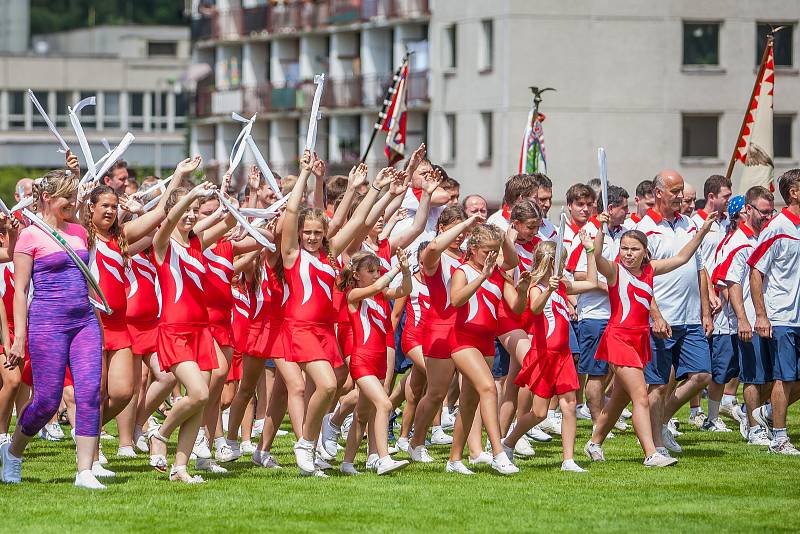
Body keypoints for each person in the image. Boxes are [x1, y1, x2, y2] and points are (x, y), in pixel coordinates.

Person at [585, 207, 718, 466]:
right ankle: (651, 453)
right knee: (641, 396)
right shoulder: (614, 271)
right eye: (624, 248)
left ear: (645, 251)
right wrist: (600, 229)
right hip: (619, 339)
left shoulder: (650, 270)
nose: (628, 254)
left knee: (619, 400)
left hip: (640, 340)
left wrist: (702, 231)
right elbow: (597, 256)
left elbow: (681, 257)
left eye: (634, 249)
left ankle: (594, 442)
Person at [1, 169, 106, 489]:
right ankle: (14, 453)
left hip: (84, 321)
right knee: (46, 400)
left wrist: (99, 319)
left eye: (75, 197)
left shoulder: (78, 231)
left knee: (89, 393)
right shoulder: (30, 236)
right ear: (47, 198)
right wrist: (19, 338)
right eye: (67, 198)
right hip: (48, 323)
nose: (74, 203)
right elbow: (19, 291)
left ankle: (84, 471)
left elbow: (89, 279)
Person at [147, 178, 236, 483]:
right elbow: (169, 221)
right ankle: (159, 434)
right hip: (175, 330)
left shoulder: (196, 243)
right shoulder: (162, 245)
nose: (191, 215)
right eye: (187, 209)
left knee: (201, 400)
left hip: (202, 331)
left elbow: (228, 223)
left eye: (196, 210)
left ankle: (180, 467)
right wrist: (186, 196)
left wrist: (233, 204)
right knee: (197, 392)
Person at [502, 233, 597, 472]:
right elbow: (534, 308)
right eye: (561, 262)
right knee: (539, 413)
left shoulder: (562, 285)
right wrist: (548, 290)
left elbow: (593, 282)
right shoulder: (536, 287)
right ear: (551, 262)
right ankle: (508, 442)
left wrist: (589, 251)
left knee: (569, 404)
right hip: (544, 355)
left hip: (563, 355)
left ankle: (568, 460)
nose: (564, 267)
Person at [634, 169, 714, 456]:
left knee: (703, 375)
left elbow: (699, 267)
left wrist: (705, 310)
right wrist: (655, 314)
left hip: (691, 317)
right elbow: (641, 278)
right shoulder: (645, 228)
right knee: (659, 383)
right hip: (663, 318)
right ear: (658, 193)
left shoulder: (689, 224)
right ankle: (654, 441)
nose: (681, 197)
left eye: (681, 191)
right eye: (675, 191)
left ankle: (661, 422)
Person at [445, 223, 523, 475]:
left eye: (495, 250)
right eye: (486, 250)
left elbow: (517, 307)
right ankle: (498, 452)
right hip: (462, 339)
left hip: (486, 341)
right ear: (474, 248)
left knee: (469, 402)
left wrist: (523, 288)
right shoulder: (463, 271)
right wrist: (482, 276)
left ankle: (454, 460)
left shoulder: (498, 273)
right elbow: (456, 300)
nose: (491, 256)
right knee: (489, 388)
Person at [338, 250, 412, 475]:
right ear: (356, 275)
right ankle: (384, 458)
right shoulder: (354, 295)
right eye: (370, 271)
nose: (376, 274)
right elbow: (376, 287)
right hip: (362, 360)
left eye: (377, 270)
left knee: (362, 414)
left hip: (379, 360)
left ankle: (347, 463)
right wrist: (396, 269)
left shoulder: (380, 294)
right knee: (385, 404)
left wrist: (406, 271)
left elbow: (405, 290)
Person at [712, 187, 775, 445]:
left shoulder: (768, 236)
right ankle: (753, 428)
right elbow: (728, 282)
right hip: (750, 317)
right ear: (748, 209)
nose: (767, 217)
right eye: (763, 212)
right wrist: (742, 319)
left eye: (771, 212)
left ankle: (761, 417)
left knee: (773, 376)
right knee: (753, 376)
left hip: (773, 317)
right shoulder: (739, 242)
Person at [567, 185, 629, 429]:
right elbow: (578, 272)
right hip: (594, 314)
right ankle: (597, 422)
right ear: (611, 208)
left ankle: (606, 415)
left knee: (619, 371)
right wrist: (608, 287)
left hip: (619, 314)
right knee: (596, 371)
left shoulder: (625, 233)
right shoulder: (588, 232)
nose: (627, 212)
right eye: (624, 208)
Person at [748, 169, 800, 455]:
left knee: (793, 377)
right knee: (785, 377)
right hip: (782, 315)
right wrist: (761, 315)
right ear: (793, 192)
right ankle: (779, 439)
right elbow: (756, 271)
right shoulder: (777, 226)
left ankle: (767, 412)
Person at [690, 175, 734, 432]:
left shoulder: (727, 223)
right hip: (700, 299)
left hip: (723, 300)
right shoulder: (696, 223)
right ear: (711, 197)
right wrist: (708, 294)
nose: (728, 200)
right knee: (693, 364)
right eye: (725, 196)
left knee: (720, 361)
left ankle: (712, 416)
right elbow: (700, 264)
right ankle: (686, 412)